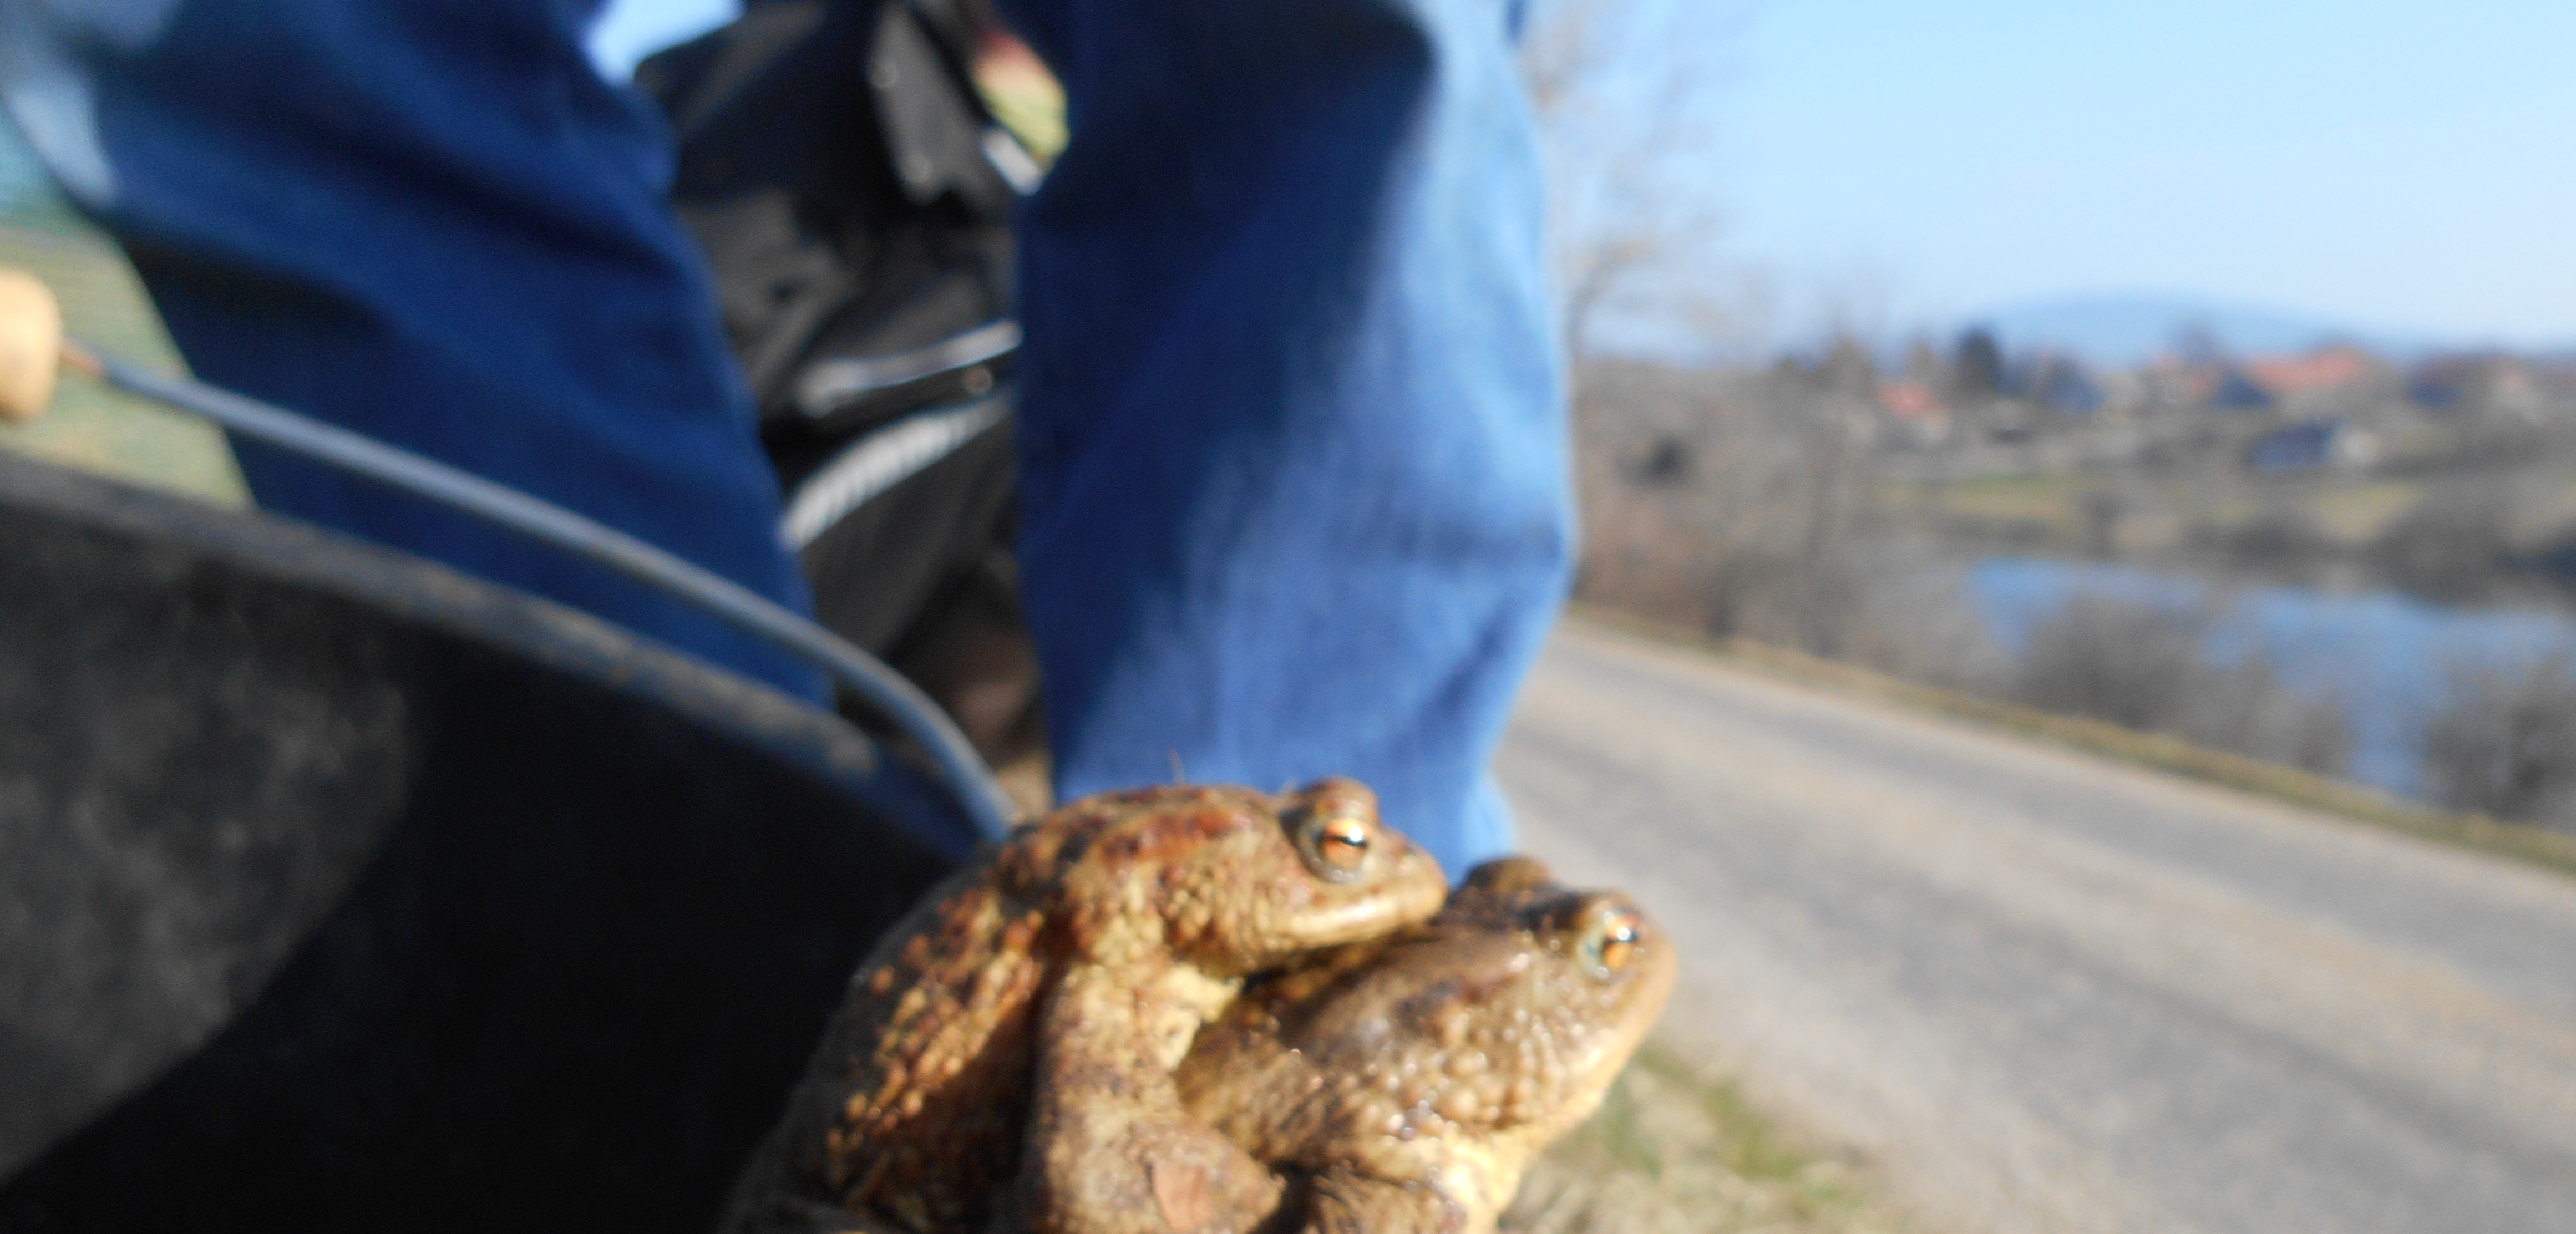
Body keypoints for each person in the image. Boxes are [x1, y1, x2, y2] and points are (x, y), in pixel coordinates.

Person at [0, 0, 1569, 873]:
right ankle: (688, 904)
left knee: (1324, 42)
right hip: (702, 616)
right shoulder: (770, 98)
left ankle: (1290, 1059)